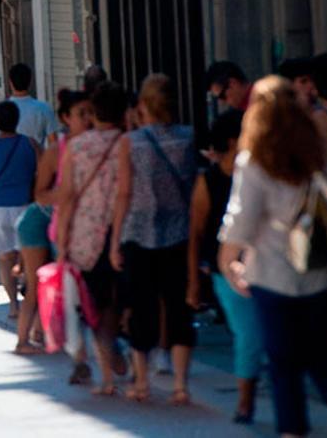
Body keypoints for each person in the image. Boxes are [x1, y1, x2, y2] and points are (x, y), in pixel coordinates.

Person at [218, 76, 327, 438]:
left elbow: (242, 220)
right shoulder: (326, 151)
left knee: (283, 362)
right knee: (325, 348)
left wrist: (229, 261)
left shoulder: (255, 160)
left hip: (273, 273)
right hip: (324, 268)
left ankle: (293, 431)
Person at [108, 73, 198, 403]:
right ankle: (180, 385)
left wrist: (116, 239)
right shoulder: (187, 138)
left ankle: (142, 382)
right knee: (178, 306)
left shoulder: (131, 143)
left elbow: (123, 193)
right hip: (179, 231)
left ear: (143, 105)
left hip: (139, 231)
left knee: (140, 306)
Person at [54, 82, 129, 395]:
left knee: (94, 303)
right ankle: (117, 346)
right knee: (118, 300)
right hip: (121, 231)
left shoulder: (77, 147)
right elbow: (125, 191)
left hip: (84, 235)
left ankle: (107, 376)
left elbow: (67, 195)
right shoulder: (127, 143)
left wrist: (61, 240)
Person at [187, 110, 259, 423]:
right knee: (248, 333)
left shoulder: (259, 173)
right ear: (234, 140)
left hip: (265, 264)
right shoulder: (210, 180)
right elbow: (196, 232)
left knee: (258, 334)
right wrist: (192, 281)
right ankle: (245, 401)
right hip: (225, 269)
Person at [16, 90, 93, 362]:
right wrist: (65, 194)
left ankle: (42, 333)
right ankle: (23, 338)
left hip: (71, 224)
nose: (88, 119)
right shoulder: (55, 149)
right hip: (40, 220)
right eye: (81, 114)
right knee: (37, 283)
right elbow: (39, 193)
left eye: (90, 113)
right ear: (65, 118)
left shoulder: (97, 145)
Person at [0, 101, 39, 328]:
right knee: (28, 256)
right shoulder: (30, 144)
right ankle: (30, 298)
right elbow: (41, 173)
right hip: (24, 205)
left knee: (4, 258)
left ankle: (13, 304)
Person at [3, 63, 60, 146]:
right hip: (37, 157)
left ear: (10, 82)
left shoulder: (2, 110)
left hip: (9, 158)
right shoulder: (44, 108)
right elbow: (53, 143)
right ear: (30, 81)